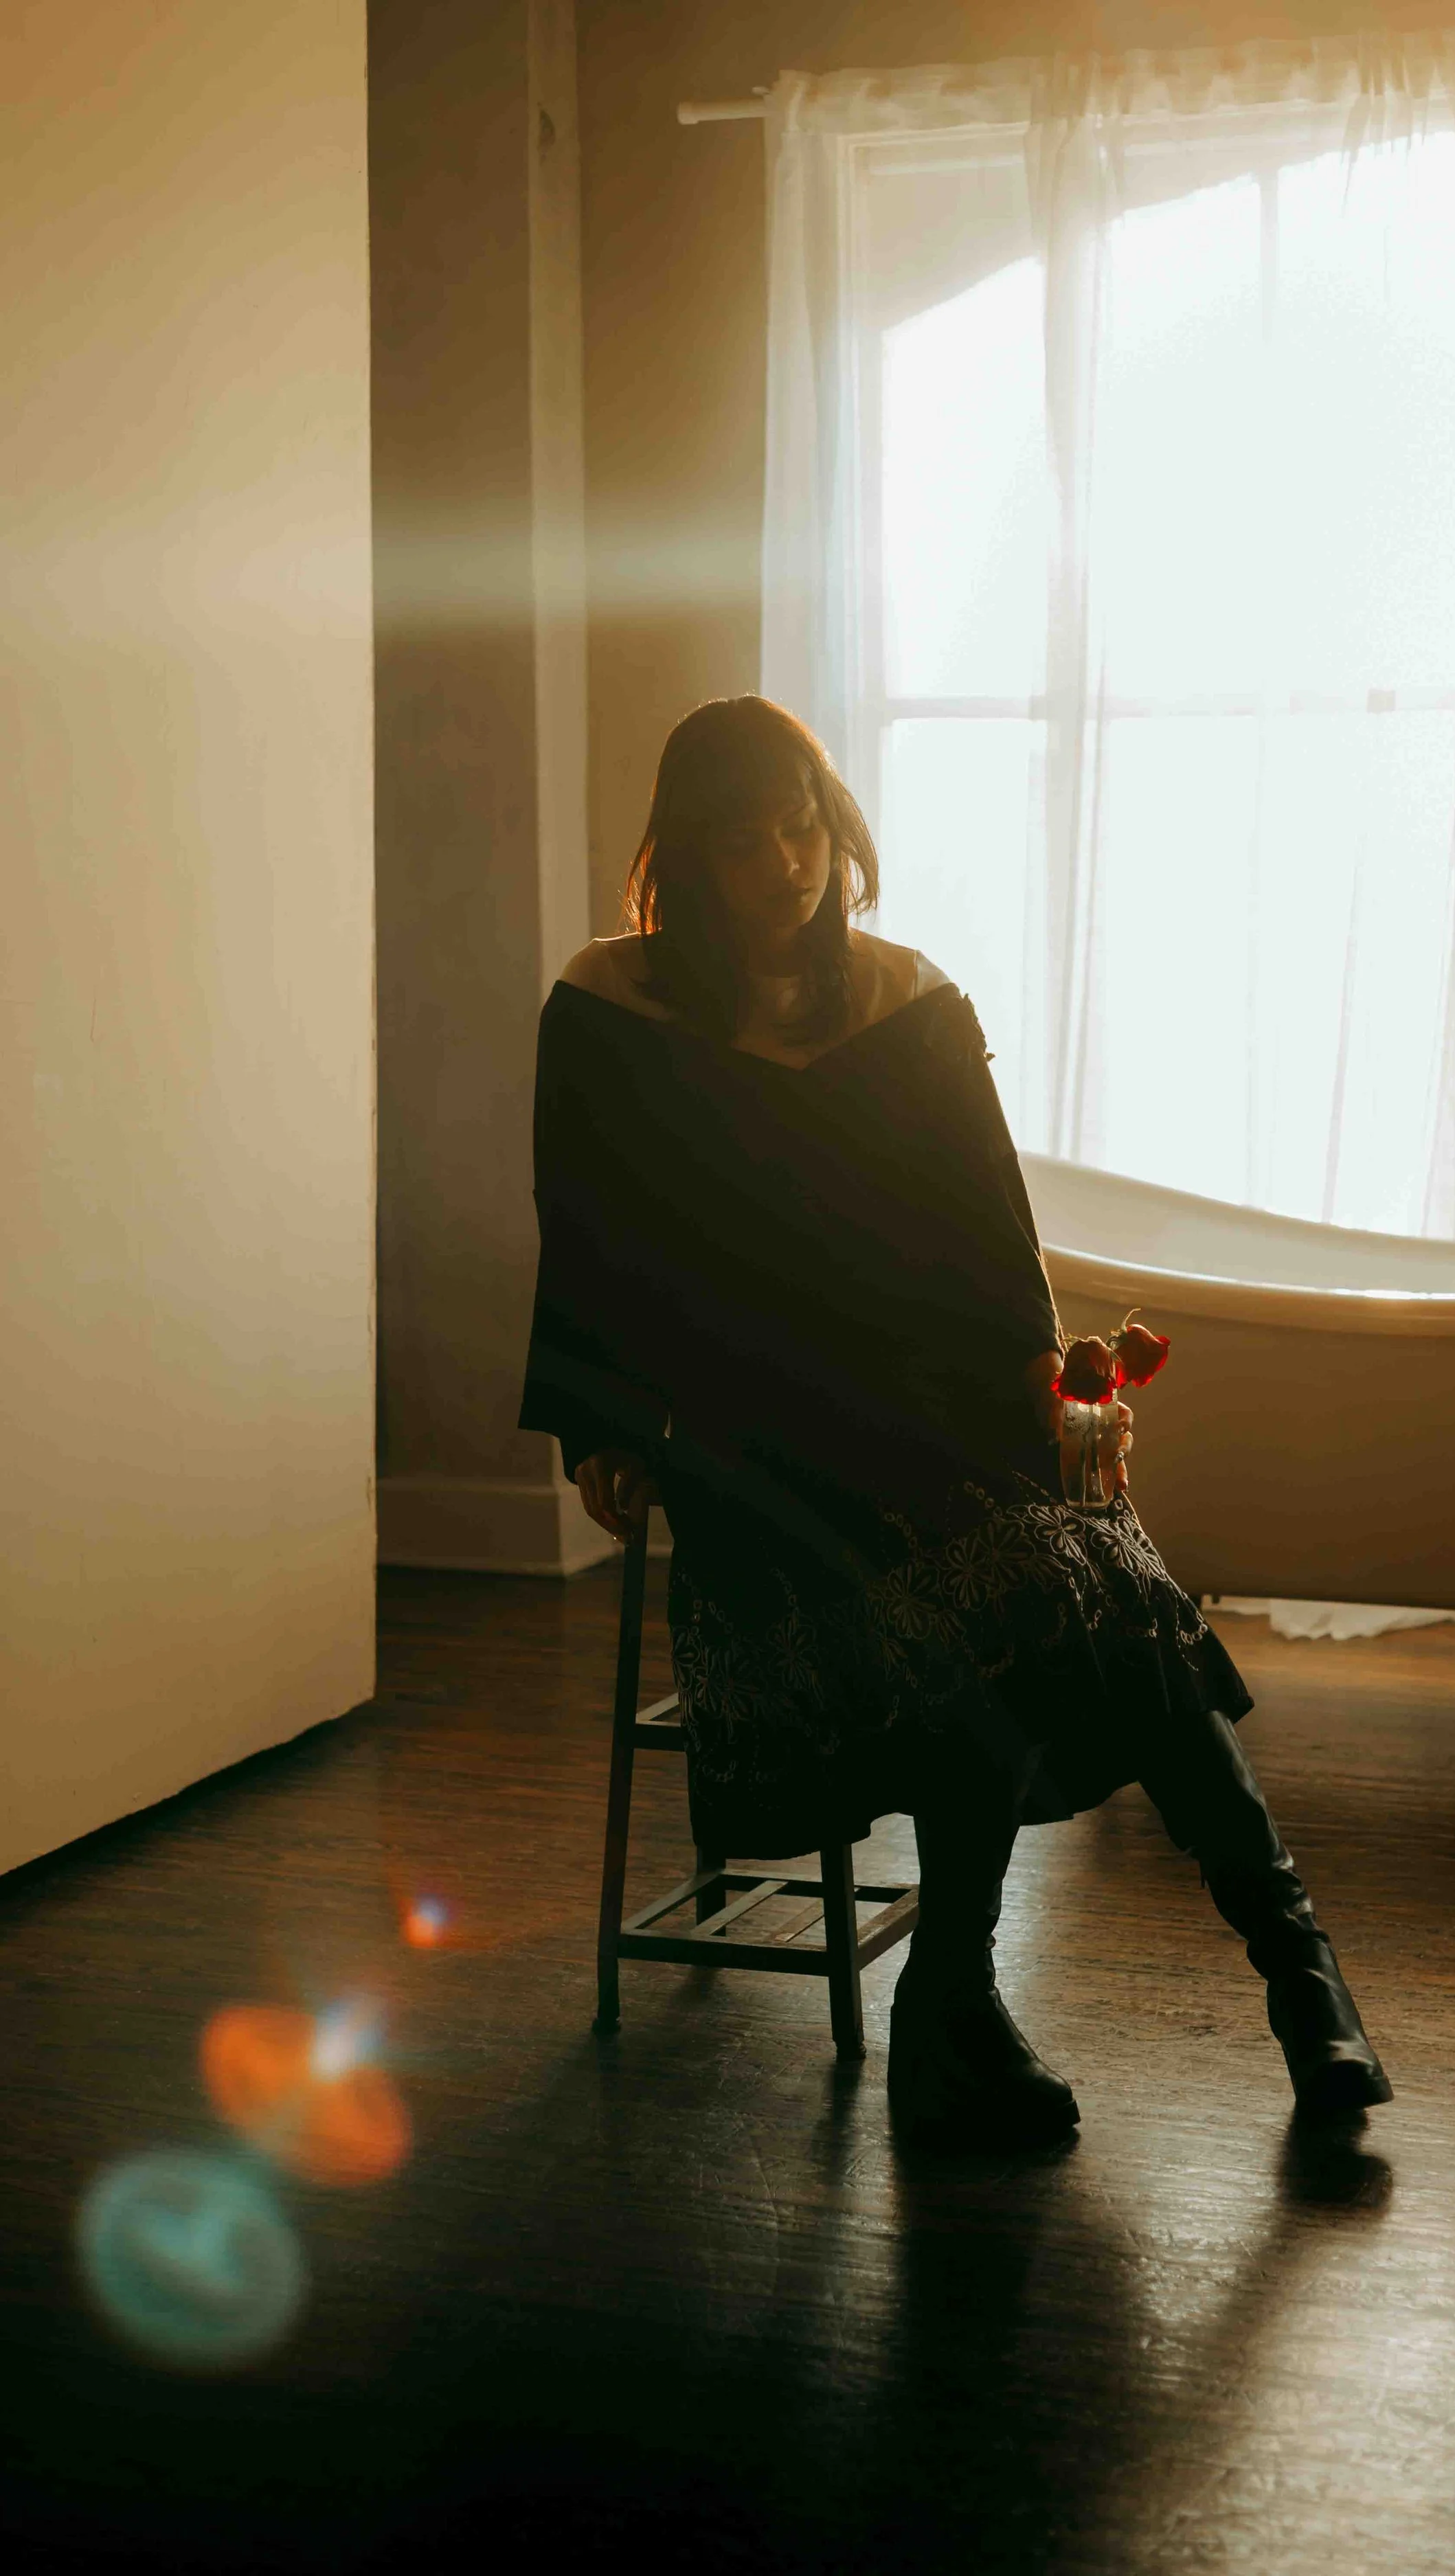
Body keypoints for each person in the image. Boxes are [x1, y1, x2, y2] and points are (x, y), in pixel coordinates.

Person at [519, 694, 1390, 2149]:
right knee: (997, 1597)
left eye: (801, 826)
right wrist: (597, 1424)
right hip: (748, 1442)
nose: (784, 861)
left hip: (934, 1412)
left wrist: (1061, 1412)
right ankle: (969, 2003)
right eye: (743, 841)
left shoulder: (905, 1003)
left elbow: (993, 1248)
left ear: (835, 825)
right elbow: (585, 1234)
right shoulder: (614, 1014)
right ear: (686, 856)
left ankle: (1291, 1984)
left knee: (1108, 1585)